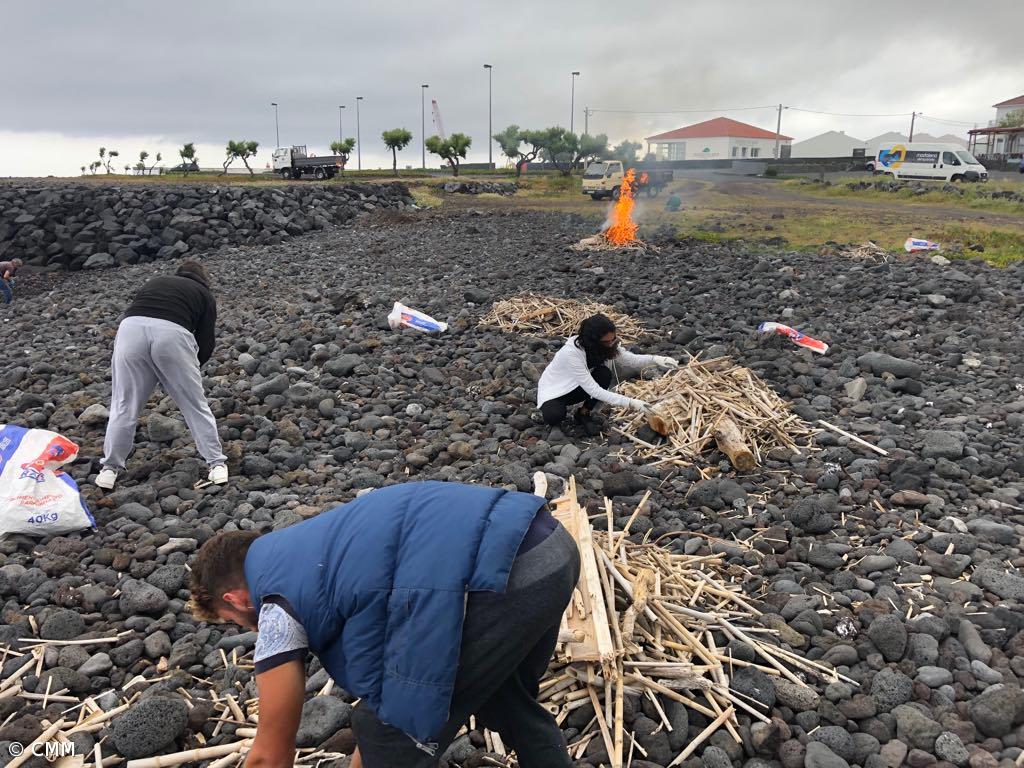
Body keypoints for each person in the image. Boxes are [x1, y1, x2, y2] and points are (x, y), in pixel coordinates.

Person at [188, 481, 580, 768]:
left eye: (235, 620)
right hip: (551, 543)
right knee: (503, 696)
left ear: (235, 599)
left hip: (507, 577)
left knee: (386, 732)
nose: (252, 630)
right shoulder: (308, 546)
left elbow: (270, 755)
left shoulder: (274, 605)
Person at [95, 261, 227, 490]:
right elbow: (206, 342)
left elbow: (140, 312)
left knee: (124, 404)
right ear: (204, 279)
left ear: (178, 274)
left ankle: (109, 470)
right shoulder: (204, 294)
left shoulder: (156, 282)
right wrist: (190, 369)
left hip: (131, 329)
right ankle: (217, 465)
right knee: (194, 405)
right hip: (172, 333)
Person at [537, 314, 677, 436]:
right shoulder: (571, 353)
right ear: (592, 340)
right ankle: (552, 411)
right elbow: (594, 390)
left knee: (603, 374)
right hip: (555, 391)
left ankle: (583, 413)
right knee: (554, 416)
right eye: (605, 342)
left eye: (612, 339)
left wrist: (657, 359)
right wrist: (632, 403)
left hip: (578, 387)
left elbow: (631, 360)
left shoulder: (607, 346)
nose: (610, 344)